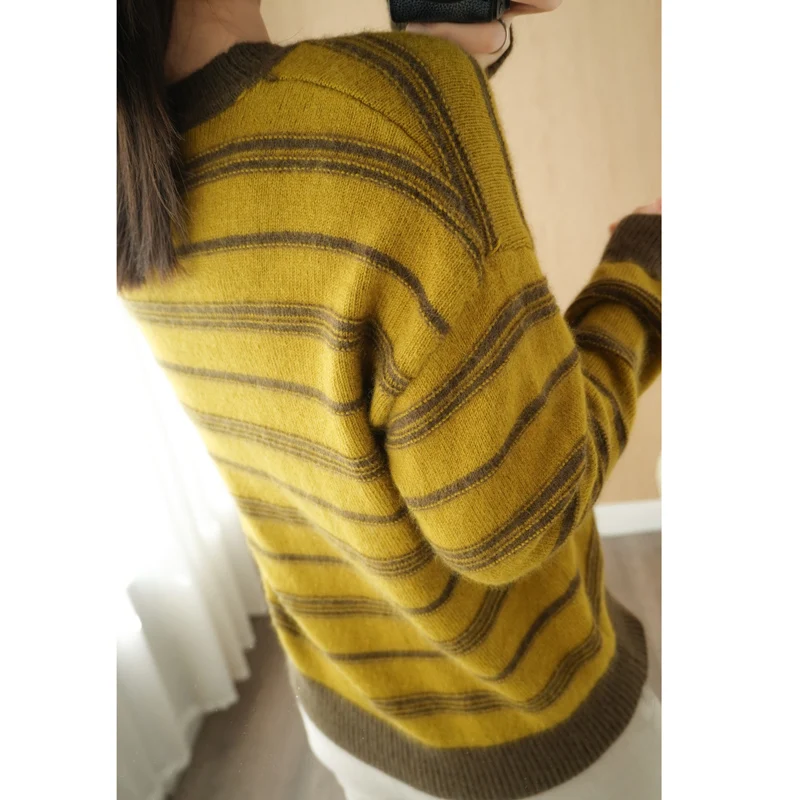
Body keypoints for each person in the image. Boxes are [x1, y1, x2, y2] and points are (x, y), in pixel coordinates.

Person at [117, 1, 662, 797]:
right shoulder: (387, 108)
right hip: (524, 735)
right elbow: (517, 520)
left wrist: (440, 78)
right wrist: (642, 281)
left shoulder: (121, 169)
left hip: (347, 708)